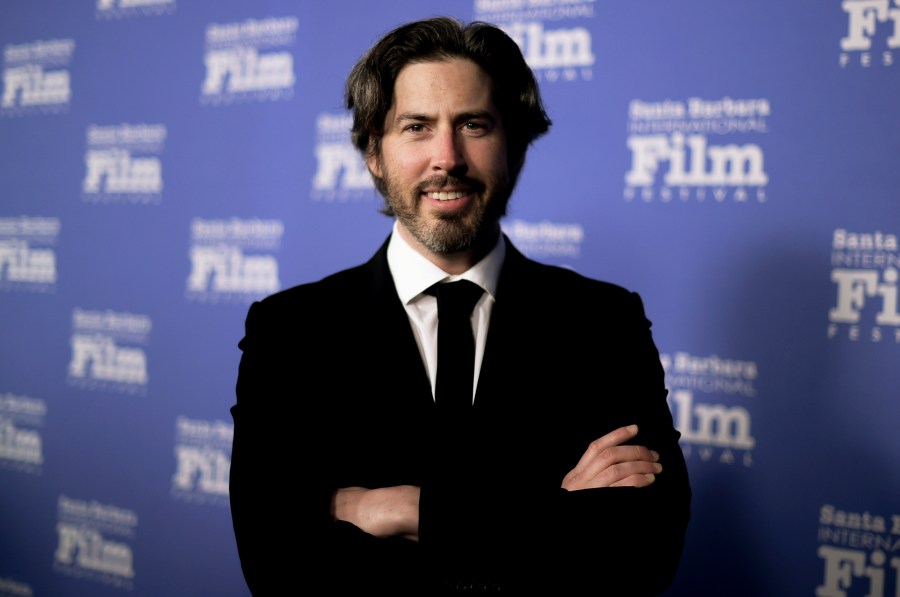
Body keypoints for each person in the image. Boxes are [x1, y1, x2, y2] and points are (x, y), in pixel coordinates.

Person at [228, 16, 691, 596]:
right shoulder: (290, 332)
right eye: (417, 127)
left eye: (473, 124)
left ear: (514, 146)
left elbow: (639, 552)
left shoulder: (603, 322)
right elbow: (279, 562)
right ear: (374, 151)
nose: (447, 157)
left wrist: (405, 509)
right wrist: (554, 510)